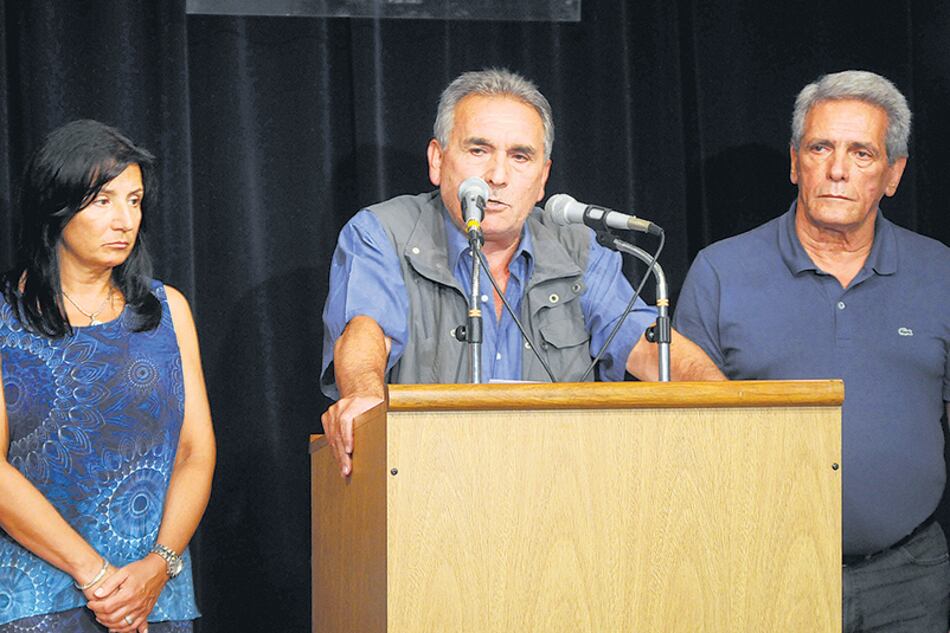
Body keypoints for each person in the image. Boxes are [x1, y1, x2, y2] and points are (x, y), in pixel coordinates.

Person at [321, 68, 724, 477]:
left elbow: (651, 349)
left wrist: (726, 406)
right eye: (478, 150)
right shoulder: (382, 233)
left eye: (519, 156)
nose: (497, 176)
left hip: (560, 491)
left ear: (543, 177)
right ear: (438, 161)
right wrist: (364, 398)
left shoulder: (580, 249)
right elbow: (365, 332)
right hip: (431, 481)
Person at [674, 70, 950, 632]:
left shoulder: (940, 273)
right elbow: (682, 436)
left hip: (910, 579)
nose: (839, 170)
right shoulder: (721, 271)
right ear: (795, 161)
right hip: (762, 570)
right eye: (821, 147)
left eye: (862, 153)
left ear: (893, 174)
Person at [0, 120, 216, 632]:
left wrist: (157, 567)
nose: (125, 220)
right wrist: (95, 575)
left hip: (153, 601)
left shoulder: (168, 311)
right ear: (56, 205)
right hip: (36, 602)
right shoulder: (5, 319)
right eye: (103, 201)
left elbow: (195, 453)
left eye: (135, 200)